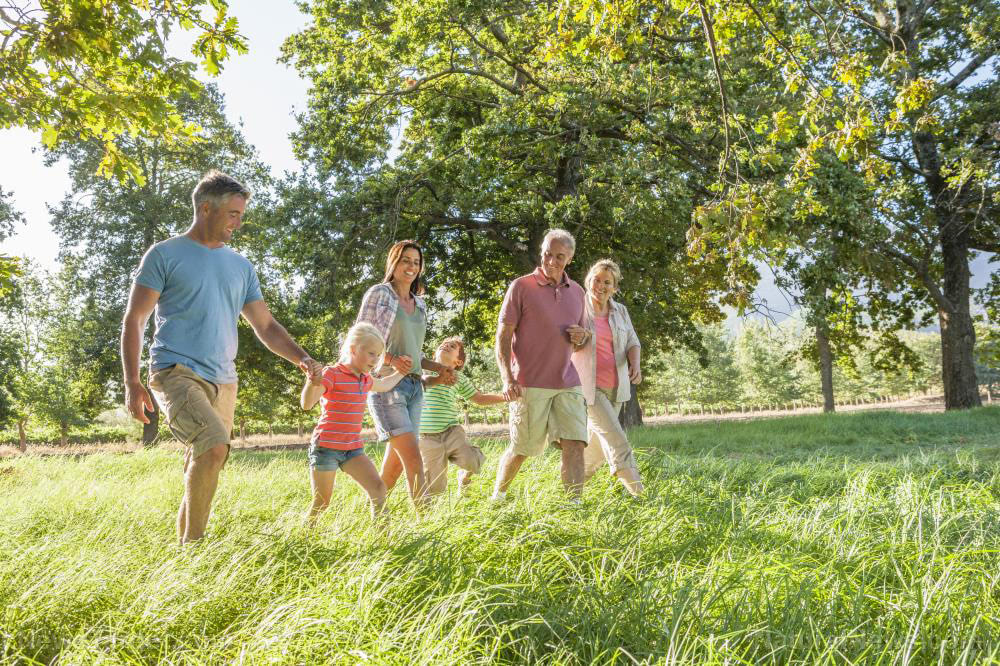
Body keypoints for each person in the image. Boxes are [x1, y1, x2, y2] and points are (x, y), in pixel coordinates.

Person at [121, 170, 323, 544]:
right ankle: (195, 548)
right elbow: (135, 319)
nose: (238, 223)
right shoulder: (164, 254)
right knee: (213, 448)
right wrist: (132, 382)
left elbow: (265, 325)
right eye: (233, 214)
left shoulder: (240, 266)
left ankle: (184, 555)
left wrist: (302, 358)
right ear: (206, 208)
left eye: (241, 215)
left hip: (224, 379)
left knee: (206, 459)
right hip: (175, 370)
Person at [492, 229, 592, 502]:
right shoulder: (521, 287)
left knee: (575, 443)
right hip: (529, 382)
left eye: (559, 256)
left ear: (570, 258)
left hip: (568, 381)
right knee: (522, 448)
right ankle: (498, 496)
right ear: (541, 252)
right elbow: (503, 335)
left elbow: (582, 339)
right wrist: (507, 378)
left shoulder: (578, 292)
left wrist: (582, 337)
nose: (551, 261)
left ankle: (574, 505)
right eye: (547, 254)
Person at [356, 240, 457, 506]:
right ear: (394, 262)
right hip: (387, 386)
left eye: (416, 262)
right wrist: (390, 359)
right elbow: (359, 339)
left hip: (415, 388)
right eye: (405, 260)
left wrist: (440, 368)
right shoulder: (379, 294)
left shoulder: (420, 305)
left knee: (395, 467)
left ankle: (373, 515)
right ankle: (426, 523)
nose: (411, 266)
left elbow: (414, 354)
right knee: (414, 459)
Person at [301, 323, 402, 521]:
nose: (376, 360)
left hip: (352, 448)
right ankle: (305, 535)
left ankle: (385, 537)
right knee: (322, 502)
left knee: (378, 488)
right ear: (354, 349)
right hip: (326, 447)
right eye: (371, 354)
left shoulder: (365, 379)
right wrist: (312, 382)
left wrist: (403, 372)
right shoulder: (332, 374)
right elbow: (306, 404)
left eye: (378, 355)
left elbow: (384, 384)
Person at [572, 259, 644, 496]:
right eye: (596, 280)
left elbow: (632, 341)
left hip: (618, 389)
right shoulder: (577, 308)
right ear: (588, 281)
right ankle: (640, 496)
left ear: (614, 287)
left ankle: (570, 494)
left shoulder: (620, 310)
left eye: (607, 282)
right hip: (589, 390)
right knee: (617, 441)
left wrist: (635, 364)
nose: (600, 286)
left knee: (596, 450)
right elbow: (563, 341)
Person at [419, 337, 507, 497]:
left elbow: (479, 399)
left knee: (472, 461)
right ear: (434, 354)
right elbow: (421, 382)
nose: (446, 345)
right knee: (435, 486)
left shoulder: (459, 378)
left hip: (451, 431)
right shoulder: (423, 371)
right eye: (443, 344)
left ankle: (464, 477)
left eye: (452, 346)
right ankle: (430, 510)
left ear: (458, 362)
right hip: (426, 437)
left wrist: (505, 397)